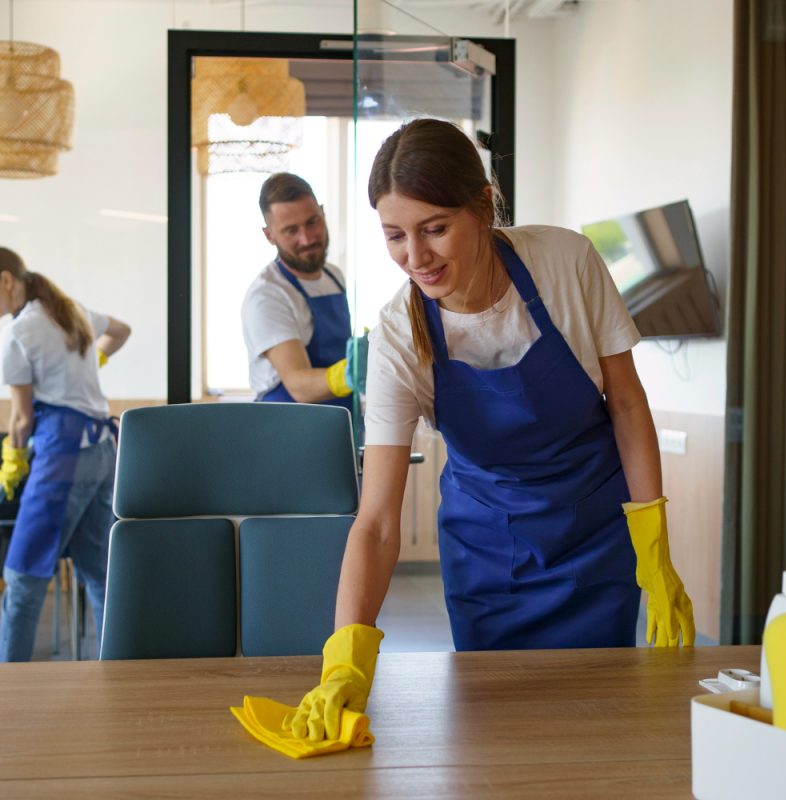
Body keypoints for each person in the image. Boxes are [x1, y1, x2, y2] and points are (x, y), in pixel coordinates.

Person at [283, 118, 696, 742]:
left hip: (596, 539)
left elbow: (627, 405)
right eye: (395, 236)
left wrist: (655, 548)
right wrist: (344, 659)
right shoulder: (398, 336)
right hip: (487, 554)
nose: (415, 258)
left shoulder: (564, 262)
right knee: (497, 737)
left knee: (599, 732)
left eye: (435, 229)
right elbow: (378, 522)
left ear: (483, 205)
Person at [0, 246, 131, 662]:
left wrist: (12, 460)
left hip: (63, 457)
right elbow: (122, 330)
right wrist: (92, 361)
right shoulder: (69, 310)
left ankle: (7, 673)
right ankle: (114, 665)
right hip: (104, 451)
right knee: (98, 570)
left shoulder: (18, 334)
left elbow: (21, 420)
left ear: (6, 280)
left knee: (24, 571)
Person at [241, 172, 366, 410]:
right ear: (270, 236)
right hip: (288, 430)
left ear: (322, 213)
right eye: (291, 230)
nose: (307, 238)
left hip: (342, 418)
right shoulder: (267, 296)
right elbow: (299, 385)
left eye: (312, 222)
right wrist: (353, 372)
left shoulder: (334, 276)